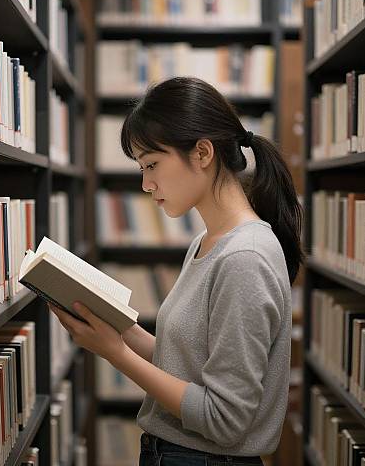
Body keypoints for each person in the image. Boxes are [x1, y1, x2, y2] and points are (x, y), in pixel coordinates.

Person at [48, 76, 303, 466]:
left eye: (152, 164)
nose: (146, 184)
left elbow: (224, 420)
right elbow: (184, 364)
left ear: (202, 153)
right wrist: (121, 329)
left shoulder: (244, 257)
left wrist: (114, 353)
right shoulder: (208, 242)